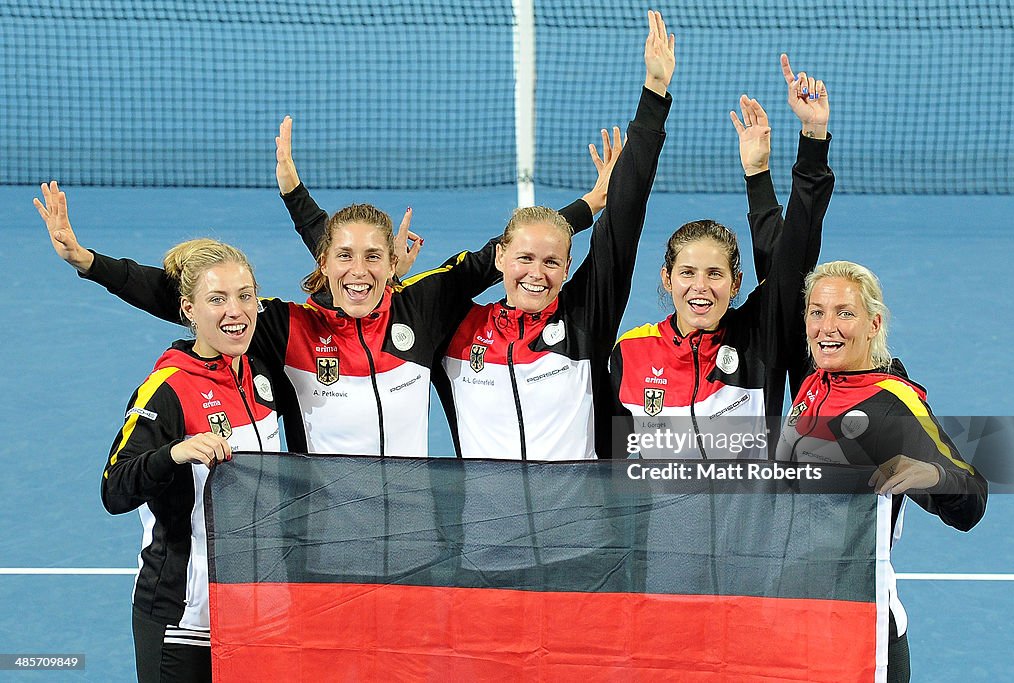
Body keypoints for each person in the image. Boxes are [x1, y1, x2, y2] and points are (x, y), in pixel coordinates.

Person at [42, 143, 609, 456]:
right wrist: (89, 263)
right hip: (324, 540)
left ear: (393, 264)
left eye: (372, 258)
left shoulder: (423, 304)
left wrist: (588, 205)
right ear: (323, 263)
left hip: (416, 544)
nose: (357, 272)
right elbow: (191, 299)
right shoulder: (290, 328)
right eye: (343, 258)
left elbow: (506, 252)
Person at [37, 187, 281, 683]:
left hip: (255, 611)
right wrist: (173, 454)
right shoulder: (165, 390)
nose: (237, 311)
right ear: (187, 310)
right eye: (217, 299)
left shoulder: (264, 373)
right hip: (182, 616)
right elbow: (114, 488)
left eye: (245, 295)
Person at [437, 10, 674, 459]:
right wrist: (584, 206)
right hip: (487, 531)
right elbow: (372, 294)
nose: (537, 273)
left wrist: (654, 93)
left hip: (578, 529)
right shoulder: (455, 328)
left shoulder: (585, 320)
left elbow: (624, 221)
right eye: (524, 258)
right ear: (500, 256)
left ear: (567, 268)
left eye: (551, 262)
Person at [611, 54, 834, 459]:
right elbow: (612, 467)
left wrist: (810, 138)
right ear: (667, 278)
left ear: (735, 283)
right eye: (687, 273)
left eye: (715, 273)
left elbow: (793, 260)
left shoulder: (757, 339)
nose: (700, 287)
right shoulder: (630, 352)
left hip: (747, 524)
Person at [778, 260, 988, 682]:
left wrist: (932, 475)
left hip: (861, 634)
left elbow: (971, 499)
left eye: (845, 313)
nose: (827, 326)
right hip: (798, 617)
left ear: (873, 323)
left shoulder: (892, 405)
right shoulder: (816, 383)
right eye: (816, 312)